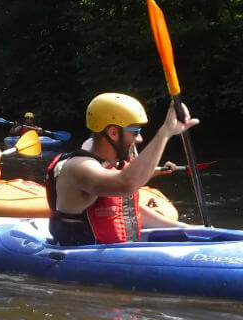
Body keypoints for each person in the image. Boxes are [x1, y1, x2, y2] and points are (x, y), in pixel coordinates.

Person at [45, 93, 202, 246]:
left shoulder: (111, 167)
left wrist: (185, 228)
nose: (139, 139)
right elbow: (126, 184)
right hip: (81, 260)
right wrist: (165, 132)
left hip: (116, 255)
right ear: (113, 132)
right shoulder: (79, 167)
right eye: (135, 132)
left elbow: (127, 209)